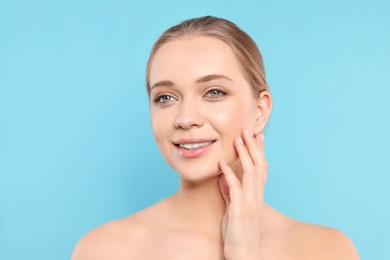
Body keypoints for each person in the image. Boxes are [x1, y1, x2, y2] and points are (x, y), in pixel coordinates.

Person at [72, 16, 359, 259]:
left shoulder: (328, 250)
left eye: (214, 92)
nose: (186, 118)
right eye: (165, 97)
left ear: (260, 111)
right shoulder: (105, 249)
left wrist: (246, 251)